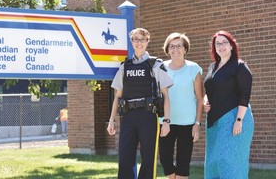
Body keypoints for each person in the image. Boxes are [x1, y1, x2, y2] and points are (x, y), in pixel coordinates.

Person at [107, 28, 173, 179]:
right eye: (136, 39)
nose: (139, 42)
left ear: (147, 42)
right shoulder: (125, 66)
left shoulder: (155, 65)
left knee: (148, 158)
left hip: (148, 116)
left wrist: (167, 121)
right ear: (131, 42)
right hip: (128, 116)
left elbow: (166, 96)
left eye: (142, 39)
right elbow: (118, 96)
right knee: (125, 158)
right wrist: (111, 120)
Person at [204, 30, 254, 179]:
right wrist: (206, 100)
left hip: (234, 118)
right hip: (214, 121)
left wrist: (239, 121)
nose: (221, 46)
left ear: (232, 45)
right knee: (214, 162)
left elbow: (245, 95)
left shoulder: (239, 66)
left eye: (224, 42)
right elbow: (210, 89)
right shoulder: (212, 67)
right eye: (217, 43)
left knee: (230, 161)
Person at [159, 32, 204, 179]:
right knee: (165, 161)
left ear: (185, 49)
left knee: (183, 165)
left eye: (179, 46)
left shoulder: (193, 68)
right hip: (166, 122)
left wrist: (197, 124)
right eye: (172, 46)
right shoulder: (161, 67)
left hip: (187, 123)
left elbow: (199, 99)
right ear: (167, 49)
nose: (175, 49)